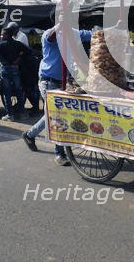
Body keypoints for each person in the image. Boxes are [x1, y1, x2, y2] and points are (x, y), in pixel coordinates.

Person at [22, 11, 93, 166]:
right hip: (47, 82)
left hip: (63, 82)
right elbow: (52, 37)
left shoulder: (73, 33)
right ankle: (59, 154)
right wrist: (61, 25)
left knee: (52, 115)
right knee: (56, 115)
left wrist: (112, 29)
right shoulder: (48, 34)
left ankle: (29, 134)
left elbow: (91, 34)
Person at [0, 27, 30, 122]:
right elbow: (28, 51)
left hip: (5, 69)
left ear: (7, 35)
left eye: (2, 34)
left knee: (7, 92)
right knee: (19, 91)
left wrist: (1, 57)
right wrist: (19, 58)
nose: (1, 36)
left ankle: (10, 115)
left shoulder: (2, 45)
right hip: (15, 69)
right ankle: (22, 113)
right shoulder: (17, 44)